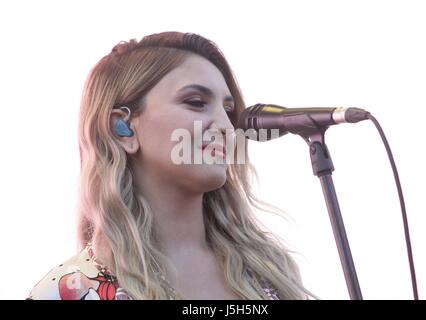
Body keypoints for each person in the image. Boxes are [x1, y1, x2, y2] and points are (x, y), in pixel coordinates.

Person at [27, 31, 311, 300]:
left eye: (228, 110)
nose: (227, 126)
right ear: (121, 128)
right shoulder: (72, 290)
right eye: (196, 102)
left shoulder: (270, 273)